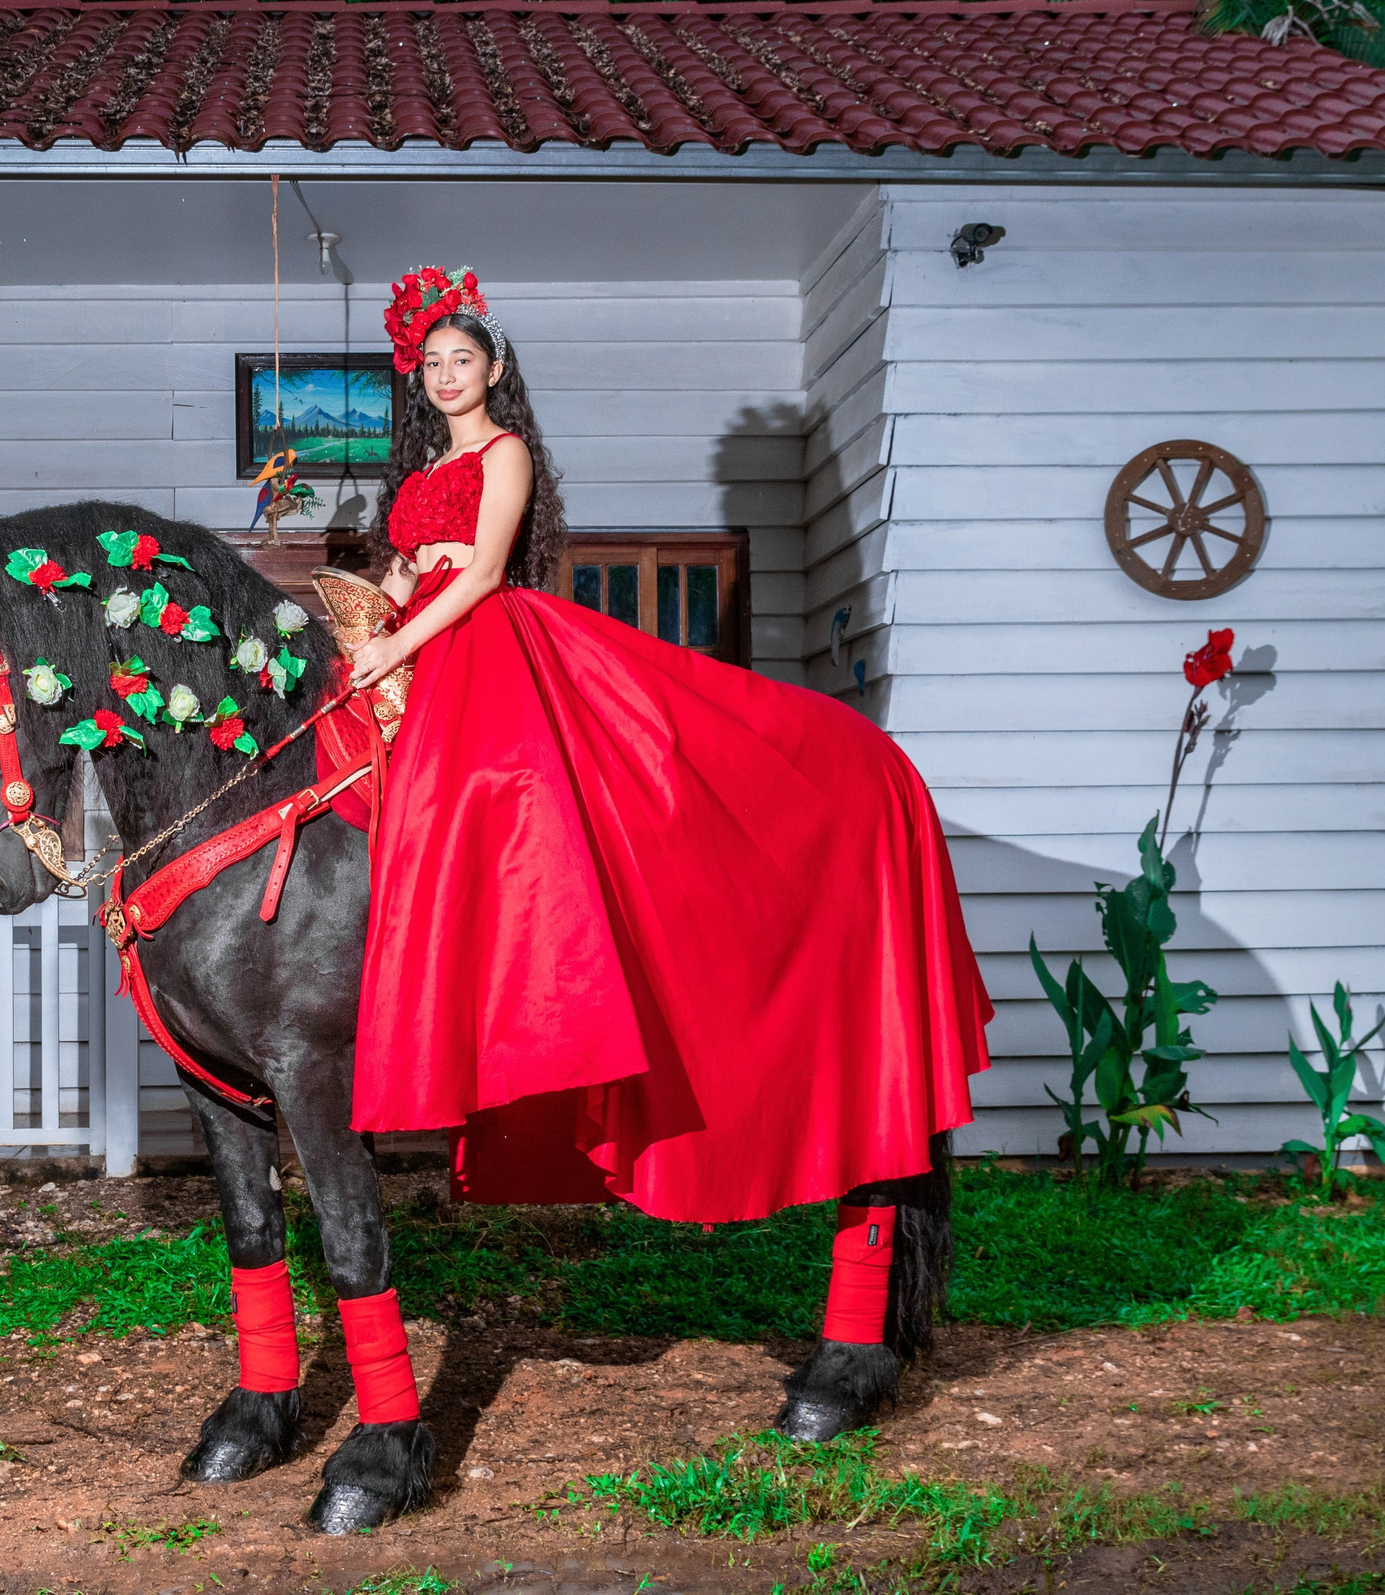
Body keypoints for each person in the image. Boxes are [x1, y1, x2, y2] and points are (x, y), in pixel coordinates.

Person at [342, 266, 993, 1225]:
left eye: (462, 359)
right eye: (433, 363)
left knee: (513, 797)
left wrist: (401, 635)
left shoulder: (506, 451)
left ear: (494, 367)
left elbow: (481, 569)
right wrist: (367, 626)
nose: (446, 376)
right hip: (415, 643)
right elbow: (404, 572)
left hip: (481, 640)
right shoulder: (422, 473)